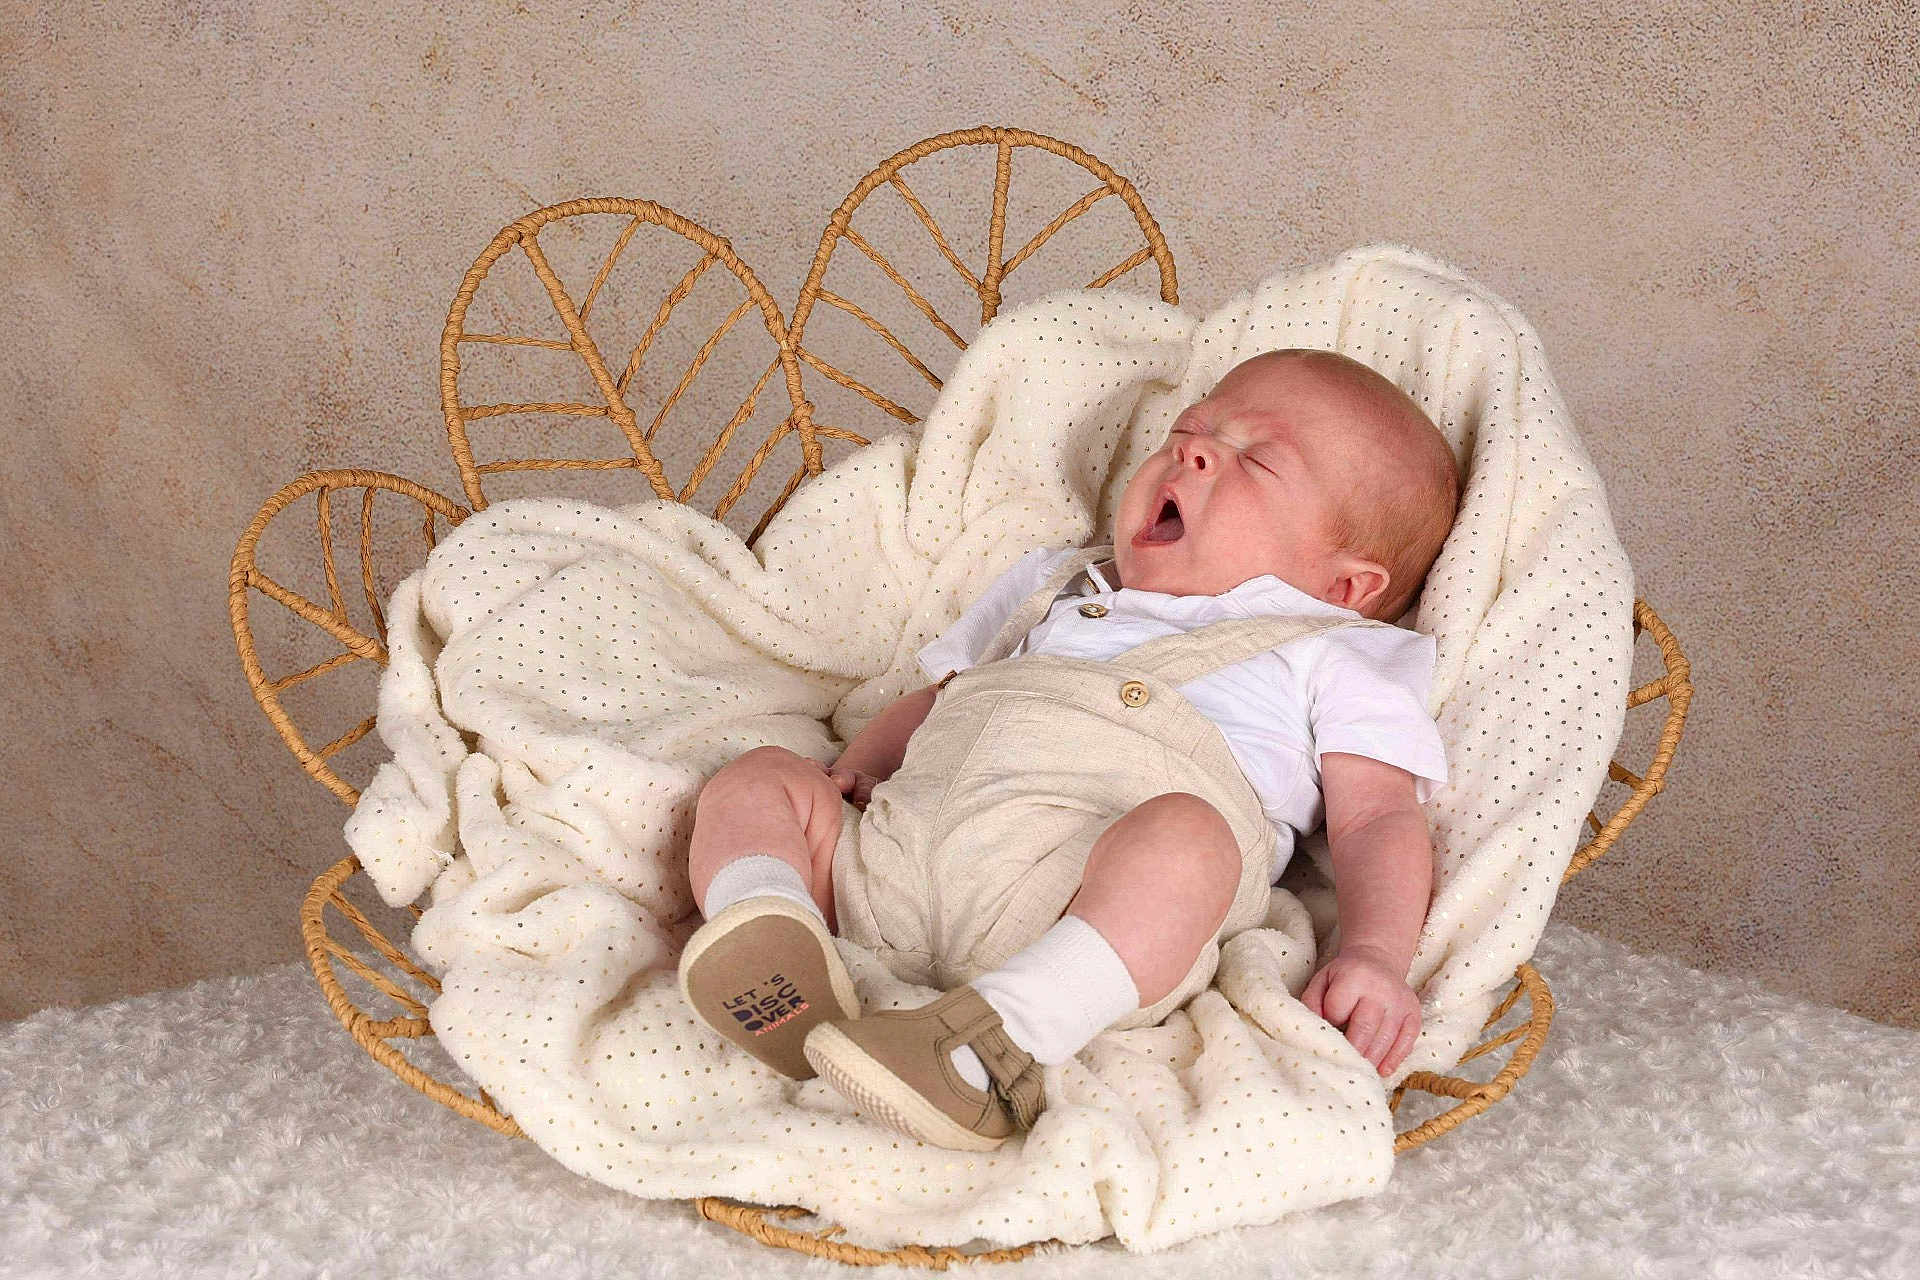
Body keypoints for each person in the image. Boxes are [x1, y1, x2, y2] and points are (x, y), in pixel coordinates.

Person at [676, 348, 1460, 1150]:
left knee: (1190, 838)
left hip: (1082, 911)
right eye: (1190, 431)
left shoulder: (1330, 654)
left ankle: (996, 1042)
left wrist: (1374, 953)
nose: (1192, 451)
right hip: (892, 862)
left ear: (1344, 587)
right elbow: (943, 698)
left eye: (1254, 459)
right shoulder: (1065, 589)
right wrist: (864, 769)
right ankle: (769, 937)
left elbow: (1377, 822)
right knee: (760, 779)